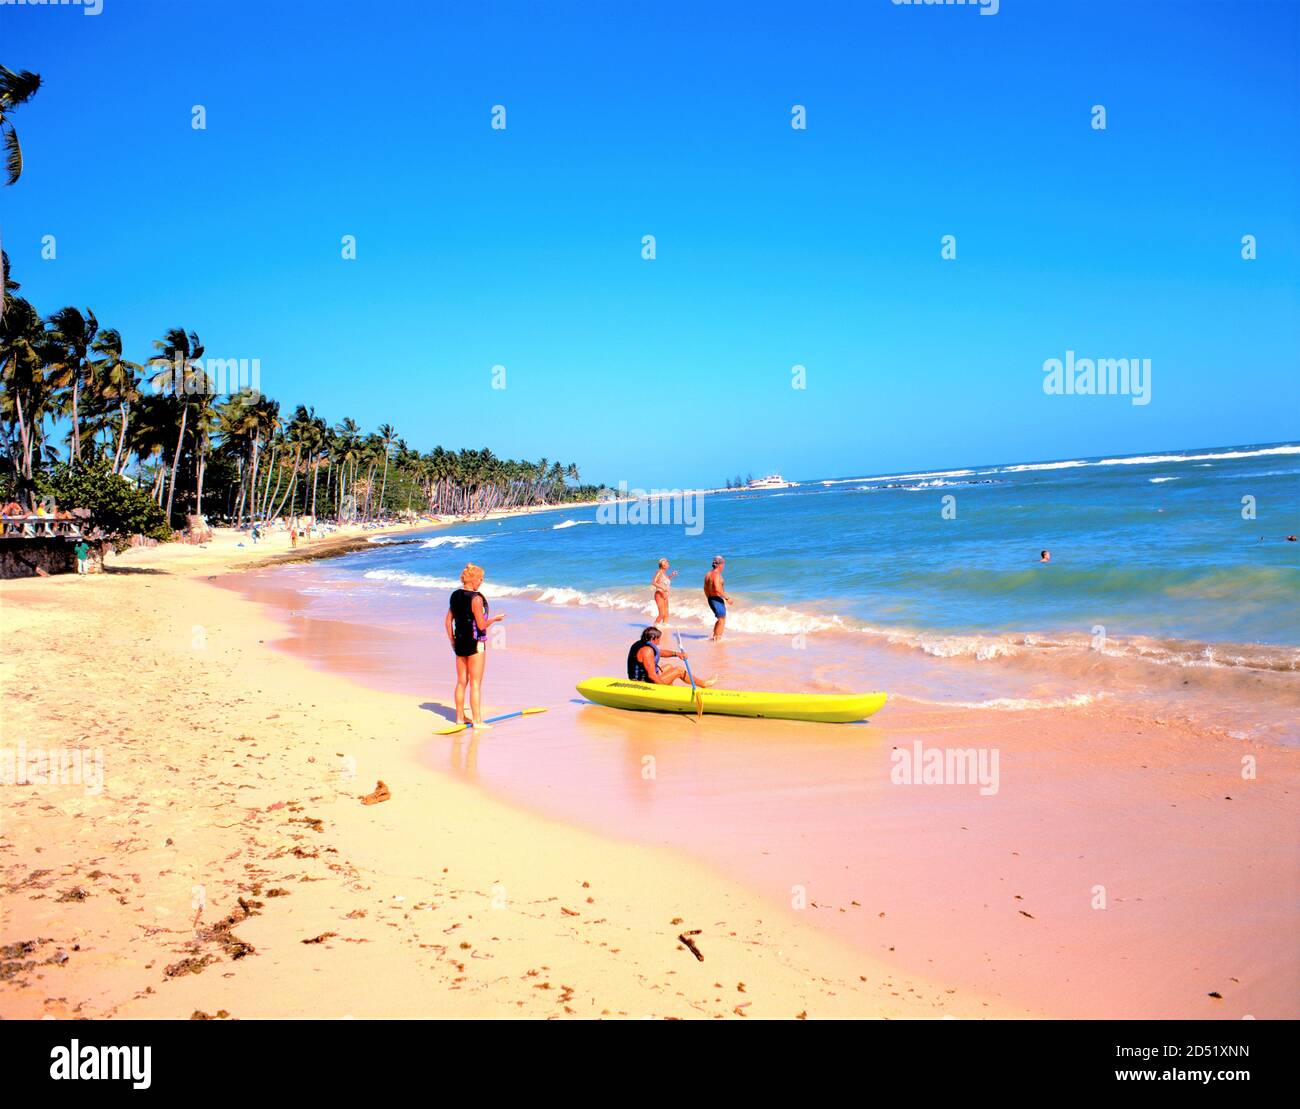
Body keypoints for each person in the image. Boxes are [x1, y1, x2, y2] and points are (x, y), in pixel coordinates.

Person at [445, 563, 505, 728]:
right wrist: (496, 619)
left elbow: (448, 621)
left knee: (461, 682)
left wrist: (452, 641)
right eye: (480, 579)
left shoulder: (455, 596)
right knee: (476, 683)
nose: (481, 582)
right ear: (473, 579)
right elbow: (481, 625)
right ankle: (477, 721)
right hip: (475, 643)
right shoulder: (476, 599)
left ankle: (459, 718)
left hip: (459, 643)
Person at [626, 626, 710, 686]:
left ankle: (670, 687)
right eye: (658, 639)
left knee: (669, 667)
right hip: (642, 683)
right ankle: (704, 684)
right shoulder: (647, 651)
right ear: (652, 638)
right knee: (679, 670)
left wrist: (677, 654)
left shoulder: (642, 643)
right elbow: (651, 675)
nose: (659, 641)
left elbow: (659, 652)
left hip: (643, 679)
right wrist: (666, 690)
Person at [704, 556, 732, 640]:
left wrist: (709, 598)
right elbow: (717, 588)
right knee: (721, 620)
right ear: (721, 564)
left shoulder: (708, 574)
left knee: (720, 619)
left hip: (711, 598)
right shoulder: (716, 574)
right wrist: (727, 598)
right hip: (716, 599)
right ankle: (717, 640)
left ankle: (714, 637)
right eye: (723, 564)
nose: (723, 566)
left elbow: (705, 588)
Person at [651, 558, 677, 626]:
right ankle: (654, 628)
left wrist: (672, 575)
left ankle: (664, 628)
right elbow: (653, 582)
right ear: (663, 565)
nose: (668, 565)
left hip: (665, 594)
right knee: (662, 614)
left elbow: (665, 581)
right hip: (659, 594)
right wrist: (663, 588)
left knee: (666, 613)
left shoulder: (664, 573)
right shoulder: (659, 571)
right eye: (667, 563)